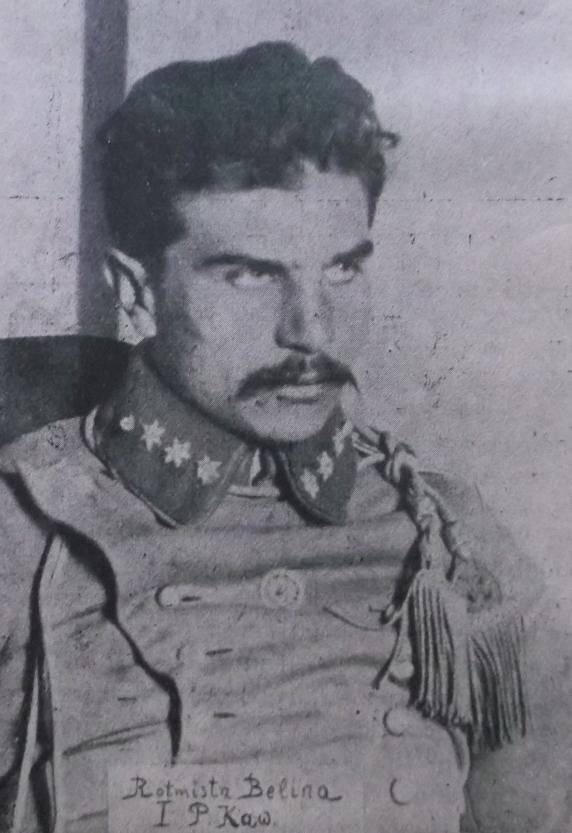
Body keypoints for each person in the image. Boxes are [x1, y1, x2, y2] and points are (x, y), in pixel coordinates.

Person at [0, 41, 567, 833]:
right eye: (250, 274)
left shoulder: (450, 540)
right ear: (134, 289)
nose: (311, 330)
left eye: (341, 269)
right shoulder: (24, 528)